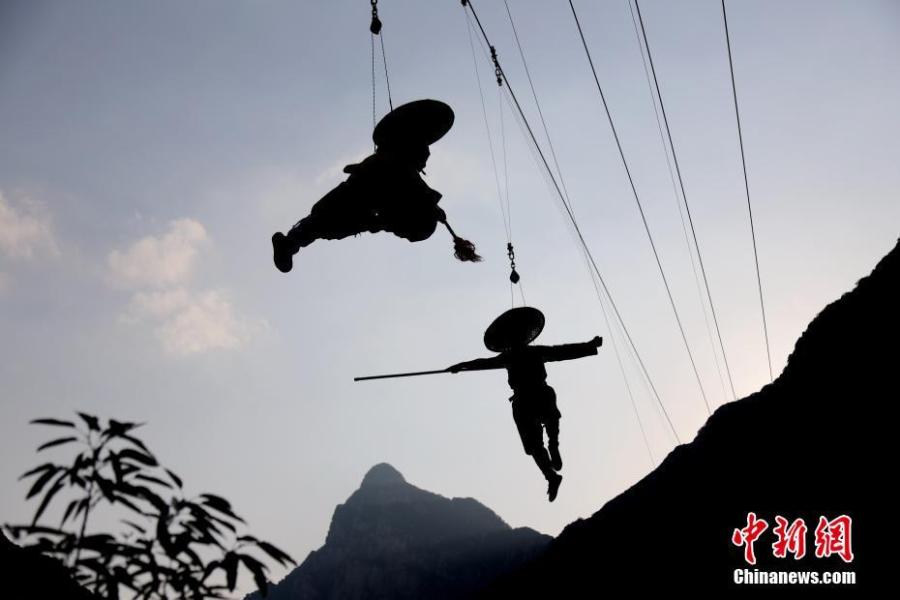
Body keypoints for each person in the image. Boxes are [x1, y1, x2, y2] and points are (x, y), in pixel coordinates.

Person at [271, 99, 480, 273]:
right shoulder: (399, 167)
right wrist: (432, 208)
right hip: (366, 195)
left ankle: (290, 243)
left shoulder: (398, 170)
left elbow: (412, 186)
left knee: (324, 222)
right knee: (325, 221)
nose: (424, 164)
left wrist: (430, 208)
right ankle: (290, 243)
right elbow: (410, 183)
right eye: (422, 159)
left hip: (366, 200)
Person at [448, 307, 602, 502]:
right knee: (536, 440)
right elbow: (482, 363)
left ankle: (553, 450)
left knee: (545, 426)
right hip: (528, 398)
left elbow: (563, 351)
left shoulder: (520, 355)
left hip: (532, 396)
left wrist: (589, 345)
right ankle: (552, 472)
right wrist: (461, 366)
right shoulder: (518, 355)